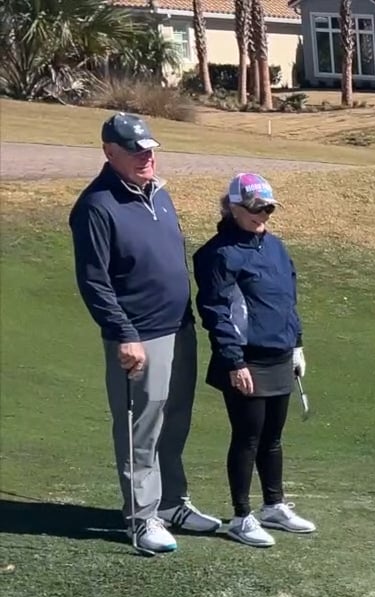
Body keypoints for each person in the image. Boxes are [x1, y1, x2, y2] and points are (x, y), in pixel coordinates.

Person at [70, 112, 222, 555]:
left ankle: (173, 503)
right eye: (136, 152)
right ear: (109, 153)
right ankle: (142, 518)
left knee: (175, 421)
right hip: (139, 335)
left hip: (179, 328)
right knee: (140, 427)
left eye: (150, 150)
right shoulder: (96, 206)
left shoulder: (159, 193)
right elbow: (94, 281)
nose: (146, 158)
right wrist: (124, 334)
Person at [192, 172, 315, 547]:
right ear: (233, 208)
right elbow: (215, 311)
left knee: (273, 438)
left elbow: (286, 300)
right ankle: (241, 516)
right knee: (247, 438)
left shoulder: (275, 247)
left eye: (267, 210)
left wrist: (296, 345)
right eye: (254, 209)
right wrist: (234, 361)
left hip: (279, 354)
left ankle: (273, 506)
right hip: (245, 359)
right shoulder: (218, 253)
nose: (262, 216)